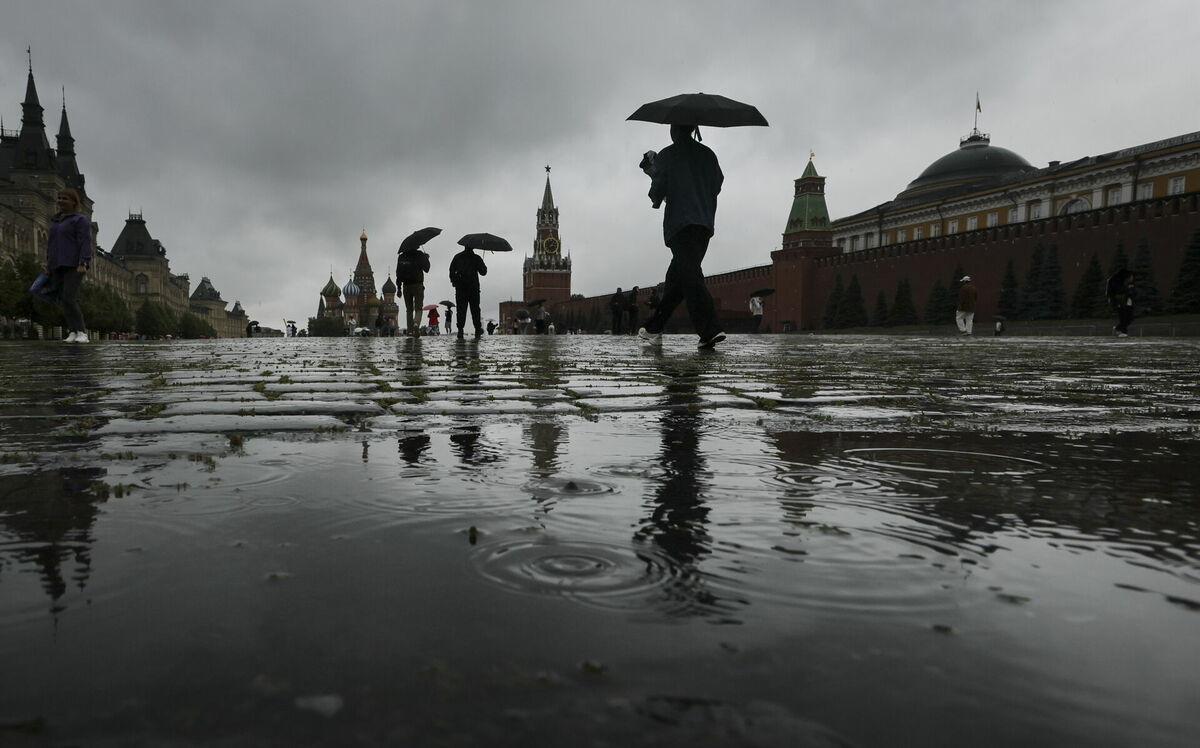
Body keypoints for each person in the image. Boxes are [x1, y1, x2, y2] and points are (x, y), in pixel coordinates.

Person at [637, 124, 726, 349]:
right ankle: (654, 327)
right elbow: (717, 184)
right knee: (677, 279)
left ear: (674, 132)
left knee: (690, 275)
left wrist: (652, 172)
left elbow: (657, 193)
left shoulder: (667, 155)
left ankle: (710, 330)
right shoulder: (709, 154)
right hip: (704, 222)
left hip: (680, 223)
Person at [46, 188, 91, 342]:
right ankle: (72, 331)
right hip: (57, 264)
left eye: (65, 198)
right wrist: (49, 264)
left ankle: (82, 332)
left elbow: (84, 241)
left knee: (69, 297)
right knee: (63, 299)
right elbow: (51, 244)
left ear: (73, 202)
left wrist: (83, 262)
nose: (60, 200)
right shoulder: (56, 221)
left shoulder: (80, 219)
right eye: (59, 197)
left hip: (74, 264)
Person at [449, 245, 487, 338]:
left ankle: (460, 330)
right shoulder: (476, 258)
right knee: (475, 309)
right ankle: (477, 330)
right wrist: (482, 264)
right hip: (473, 288)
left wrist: (454, 282)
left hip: (460, 288)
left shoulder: (457, 257)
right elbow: (483, 272)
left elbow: (451, 271)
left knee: (461, 309)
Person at [396, 241, 431, 336]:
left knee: (409, 309)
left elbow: (398, 273)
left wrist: (398, 288)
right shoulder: (419, 255)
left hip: (406, 286)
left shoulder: (402, 256)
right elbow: (427, 269)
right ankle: (416, 324)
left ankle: (410, 330)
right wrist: (426, 258)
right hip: (418, 285)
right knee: (419, 308)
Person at [1107, 268, 1135, 337]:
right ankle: (1123, 332)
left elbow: (1133, 293)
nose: (1132, 278)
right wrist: (1128, 289)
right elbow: (1118, 291)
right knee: (1123, 317)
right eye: (1131, 277)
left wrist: (1131, 291)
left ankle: (1118, 328)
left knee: (1130, 318)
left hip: (1129, 302)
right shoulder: (1118, 282)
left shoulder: (1130, 284)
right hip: (1121, 302)